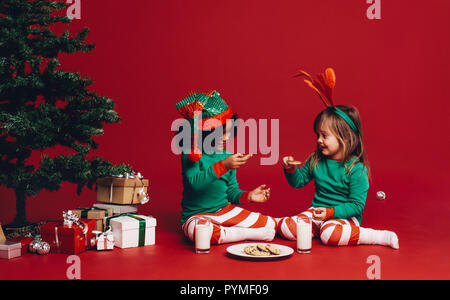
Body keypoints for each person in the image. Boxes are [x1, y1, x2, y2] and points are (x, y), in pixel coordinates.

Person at [278, 68, 399, 249]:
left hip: (344, 217)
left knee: (330, 235)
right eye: (317, 135)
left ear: (345, 138)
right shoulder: (316, 160)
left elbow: (357, 206)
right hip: (318, 213)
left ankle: (376, 236)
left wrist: (331, 212)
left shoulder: (356, 169)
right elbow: (298, 182)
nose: (319, 140)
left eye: (325, 135)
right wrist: (290, 170)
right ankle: (318, 229)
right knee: (286, 228)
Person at [175, 90, 276, 245]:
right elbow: (194, 184)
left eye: (228, 132)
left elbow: (231, 192)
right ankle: (244, 234)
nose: (226, 137)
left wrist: (249, 196)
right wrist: (223, 166)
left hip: (224, 211)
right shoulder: (191, 153)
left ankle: (229, 233)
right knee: (201, 234)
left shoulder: (226, 156)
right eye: (220, 133)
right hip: (196, 216)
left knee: (269, 223)